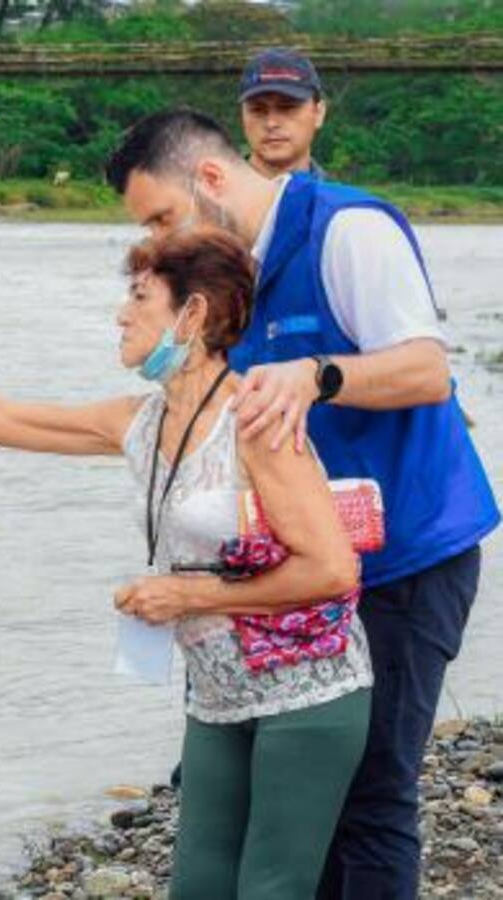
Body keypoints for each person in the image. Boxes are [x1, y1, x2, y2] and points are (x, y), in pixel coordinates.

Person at [0, 228, 373, 899]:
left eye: (140, 297)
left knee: (273, 889)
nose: (121, 314)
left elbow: (333, 570)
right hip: (219, 694)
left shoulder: (254, 422)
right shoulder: (137, 422)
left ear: (193, 314)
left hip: (311, 691)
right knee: (198, 886)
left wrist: (187, 596)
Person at [104, 109, 499, 899]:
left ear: (210, 181)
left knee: (373, 791)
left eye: (160, 216)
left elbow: (426, 370)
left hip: (406, 555)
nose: (159, 240)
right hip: (298, 575)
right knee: (297, 809)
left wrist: (317, 374)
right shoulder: (222, 285)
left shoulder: (348, 228)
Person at [239, 48, 327, 179]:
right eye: (257, 110)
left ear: (319, 113)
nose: (271, 123)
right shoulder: (206, 196)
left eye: (287, 108)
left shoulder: (345, 199)